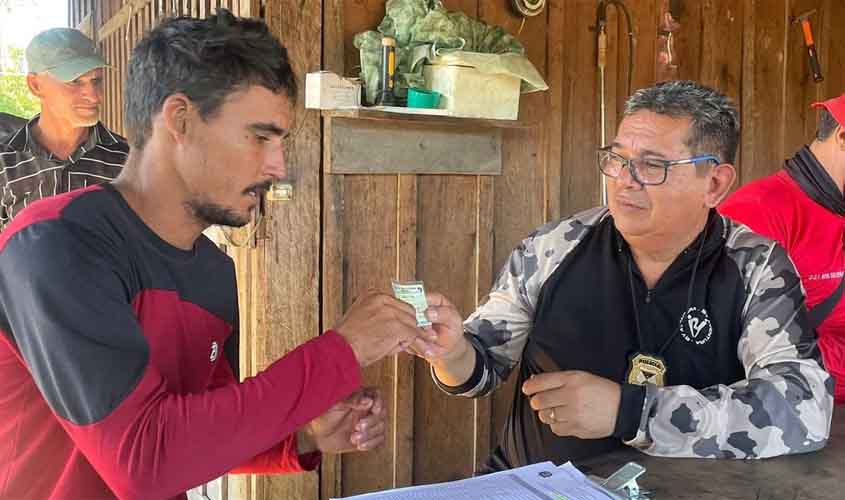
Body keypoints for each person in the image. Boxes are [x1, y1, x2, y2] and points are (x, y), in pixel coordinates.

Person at [0, 10, 427, 500]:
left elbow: (195, 433)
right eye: (259, 137)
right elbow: (144, 461)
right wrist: (342, 352)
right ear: (180, 120)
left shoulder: (215, 272)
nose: (277, 167)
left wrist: (303, 435)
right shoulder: (54, 245)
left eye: (280, 142)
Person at [409, 80, 833, 470]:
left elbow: (804, 409)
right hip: (534, 486)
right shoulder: (555, 247)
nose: (625, 181)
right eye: (617, 159)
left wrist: (631, 412)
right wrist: (452, 352)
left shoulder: (754, 266)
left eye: (652, 166)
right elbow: (482, 367)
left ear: (715, 184)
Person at [720, 94, 845, 404]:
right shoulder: (757, 211)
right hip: (789, 414)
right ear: (842, 137)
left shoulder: (836, 208)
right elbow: (738, 348)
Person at [0, 28, 129, 228]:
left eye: (96, 80)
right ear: (35, 85)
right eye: (75, 81)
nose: (94, 96)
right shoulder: (4, 161)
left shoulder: (127, 160)